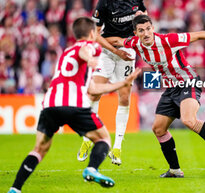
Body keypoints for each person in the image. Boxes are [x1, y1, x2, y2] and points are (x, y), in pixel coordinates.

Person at [8, 17, 141, 193]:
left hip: (50, 105)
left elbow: (93, 88)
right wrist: (91, 59)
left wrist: (122, 83)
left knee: (39, 149)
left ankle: (15, 189)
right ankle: (92, 169)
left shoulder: (65, 53)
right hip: (74, 105)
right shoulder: (91, 47)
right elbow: (84, 50)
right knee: (103, 139)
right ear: (93, 33)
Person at [114, 14, 205, 177]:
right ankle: (175, 170)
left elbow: (199, 34)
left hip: (188, 82)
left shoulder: (168, 40)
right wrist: (98, 39)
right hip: (171, 88)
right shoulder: (135, 43)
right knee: (158, 129)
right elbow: (116, 40)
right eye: (141, 30)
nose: (146, 33)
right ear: (135, 33)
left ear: (153, 28)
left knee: (188, 120)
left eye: (148, 29)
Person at [77, 0, 147, 165]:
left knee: (124, 97)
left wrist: (140, 35)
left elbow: (143, 15)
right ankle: (87, 139)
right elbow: (95, 35)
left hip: (128, 50)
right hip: (108, 51)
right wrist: (117, 51)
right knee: (94, 93)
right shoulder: (103, 4)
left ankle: (117, 147)